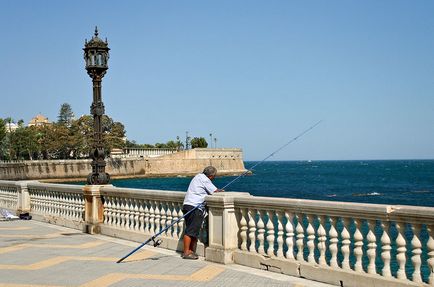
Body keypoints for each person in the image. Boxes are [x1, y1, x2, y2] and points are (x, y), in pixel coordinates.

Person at [182, 166, 224, 259]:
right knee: (190, 231)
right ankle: (186, 252)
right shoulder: (205, 180)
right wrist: (220, 191)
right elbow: (215, 191)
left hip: (187, 205)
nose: (214, 179)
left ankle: (190, 251)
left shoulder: (198, 177)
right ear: (211, 176)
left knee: (191, 230)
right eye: (214, 177)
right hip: (194, 207)